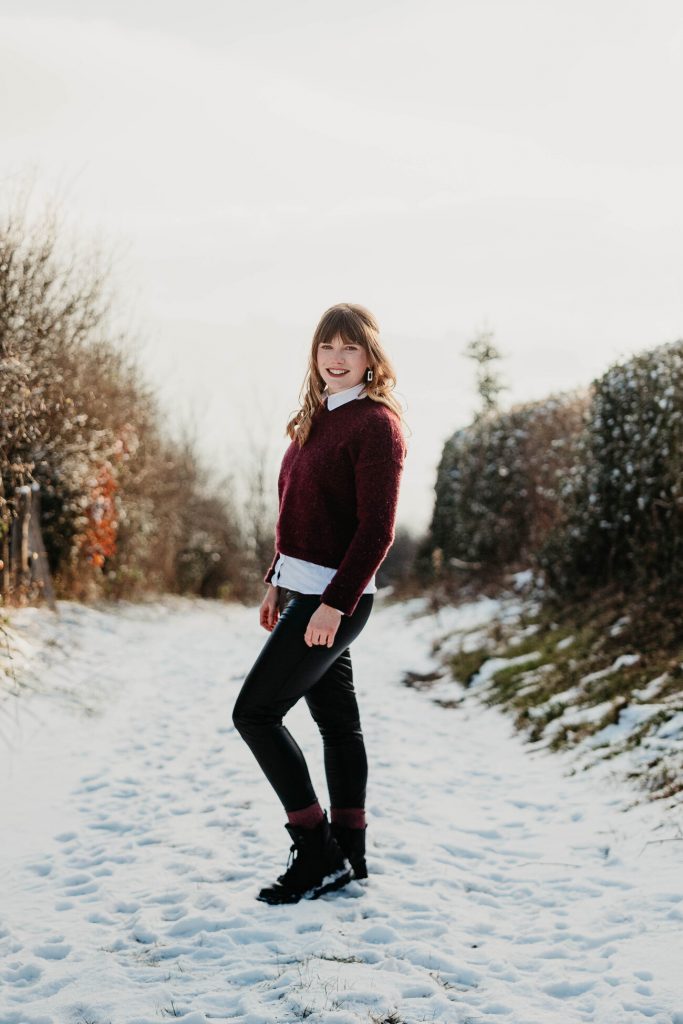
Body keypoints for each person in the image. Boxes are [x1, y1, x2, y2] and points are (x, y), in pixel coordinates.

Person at [232, 302, 408, 905]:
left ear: (370, 357)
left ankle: (317, 851)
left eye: (349, 348)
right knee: (337, 725)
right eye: (327, 347)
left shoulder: (375, 425)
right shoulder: (315, 419)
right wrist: (274, 580)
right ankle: (350, 852)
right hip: (301, 591)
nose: (336, 358)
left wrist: (334, 603)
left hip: (333, 600)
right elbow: (298, 515)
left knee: (254, 714)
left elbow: (375, 531)